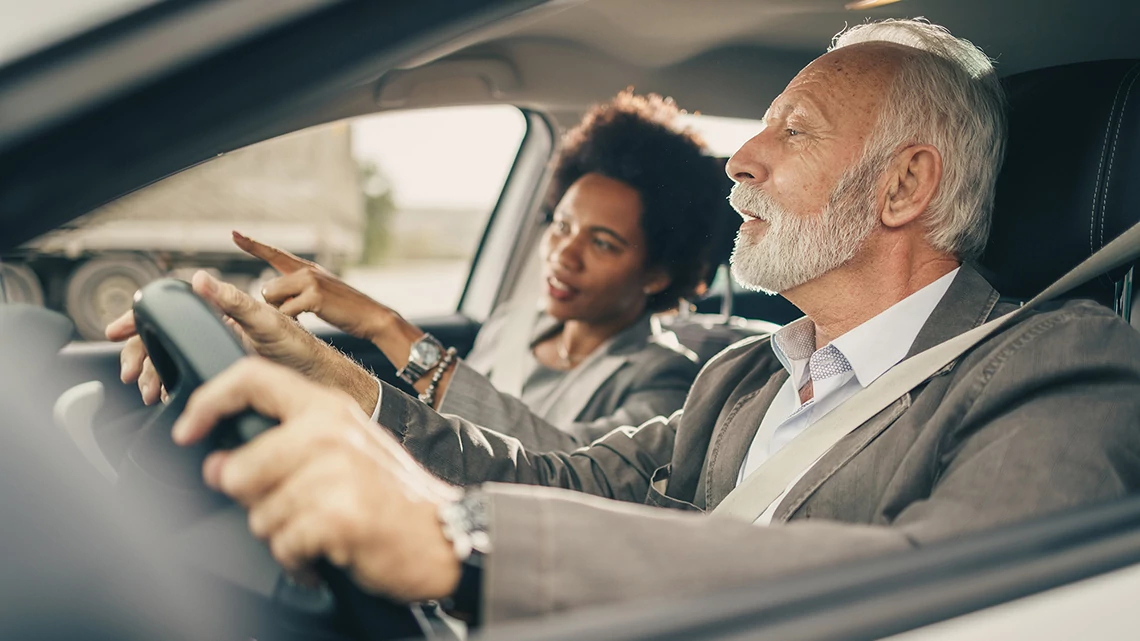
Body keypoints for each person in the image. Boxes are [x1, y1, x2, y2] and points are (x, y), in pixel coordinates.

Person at [118, 18, 1140, 625]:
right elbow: (564, 478)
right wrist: (339, 386)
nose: (742, 159)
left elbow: (961, 593)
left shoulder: (1062, 364)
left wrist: (463, 544)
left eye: (792, 130)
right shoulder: (745, 377)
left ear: (906, 184)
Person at [119, 90, 728, 450]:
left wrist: (384, 324)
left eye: (604, 243)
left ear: (657, 272)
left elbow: (560, 466)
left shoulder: (668, 382)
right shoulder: (511, 325)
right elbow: (435, 433)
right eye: (561, 226)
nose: (564, 254)